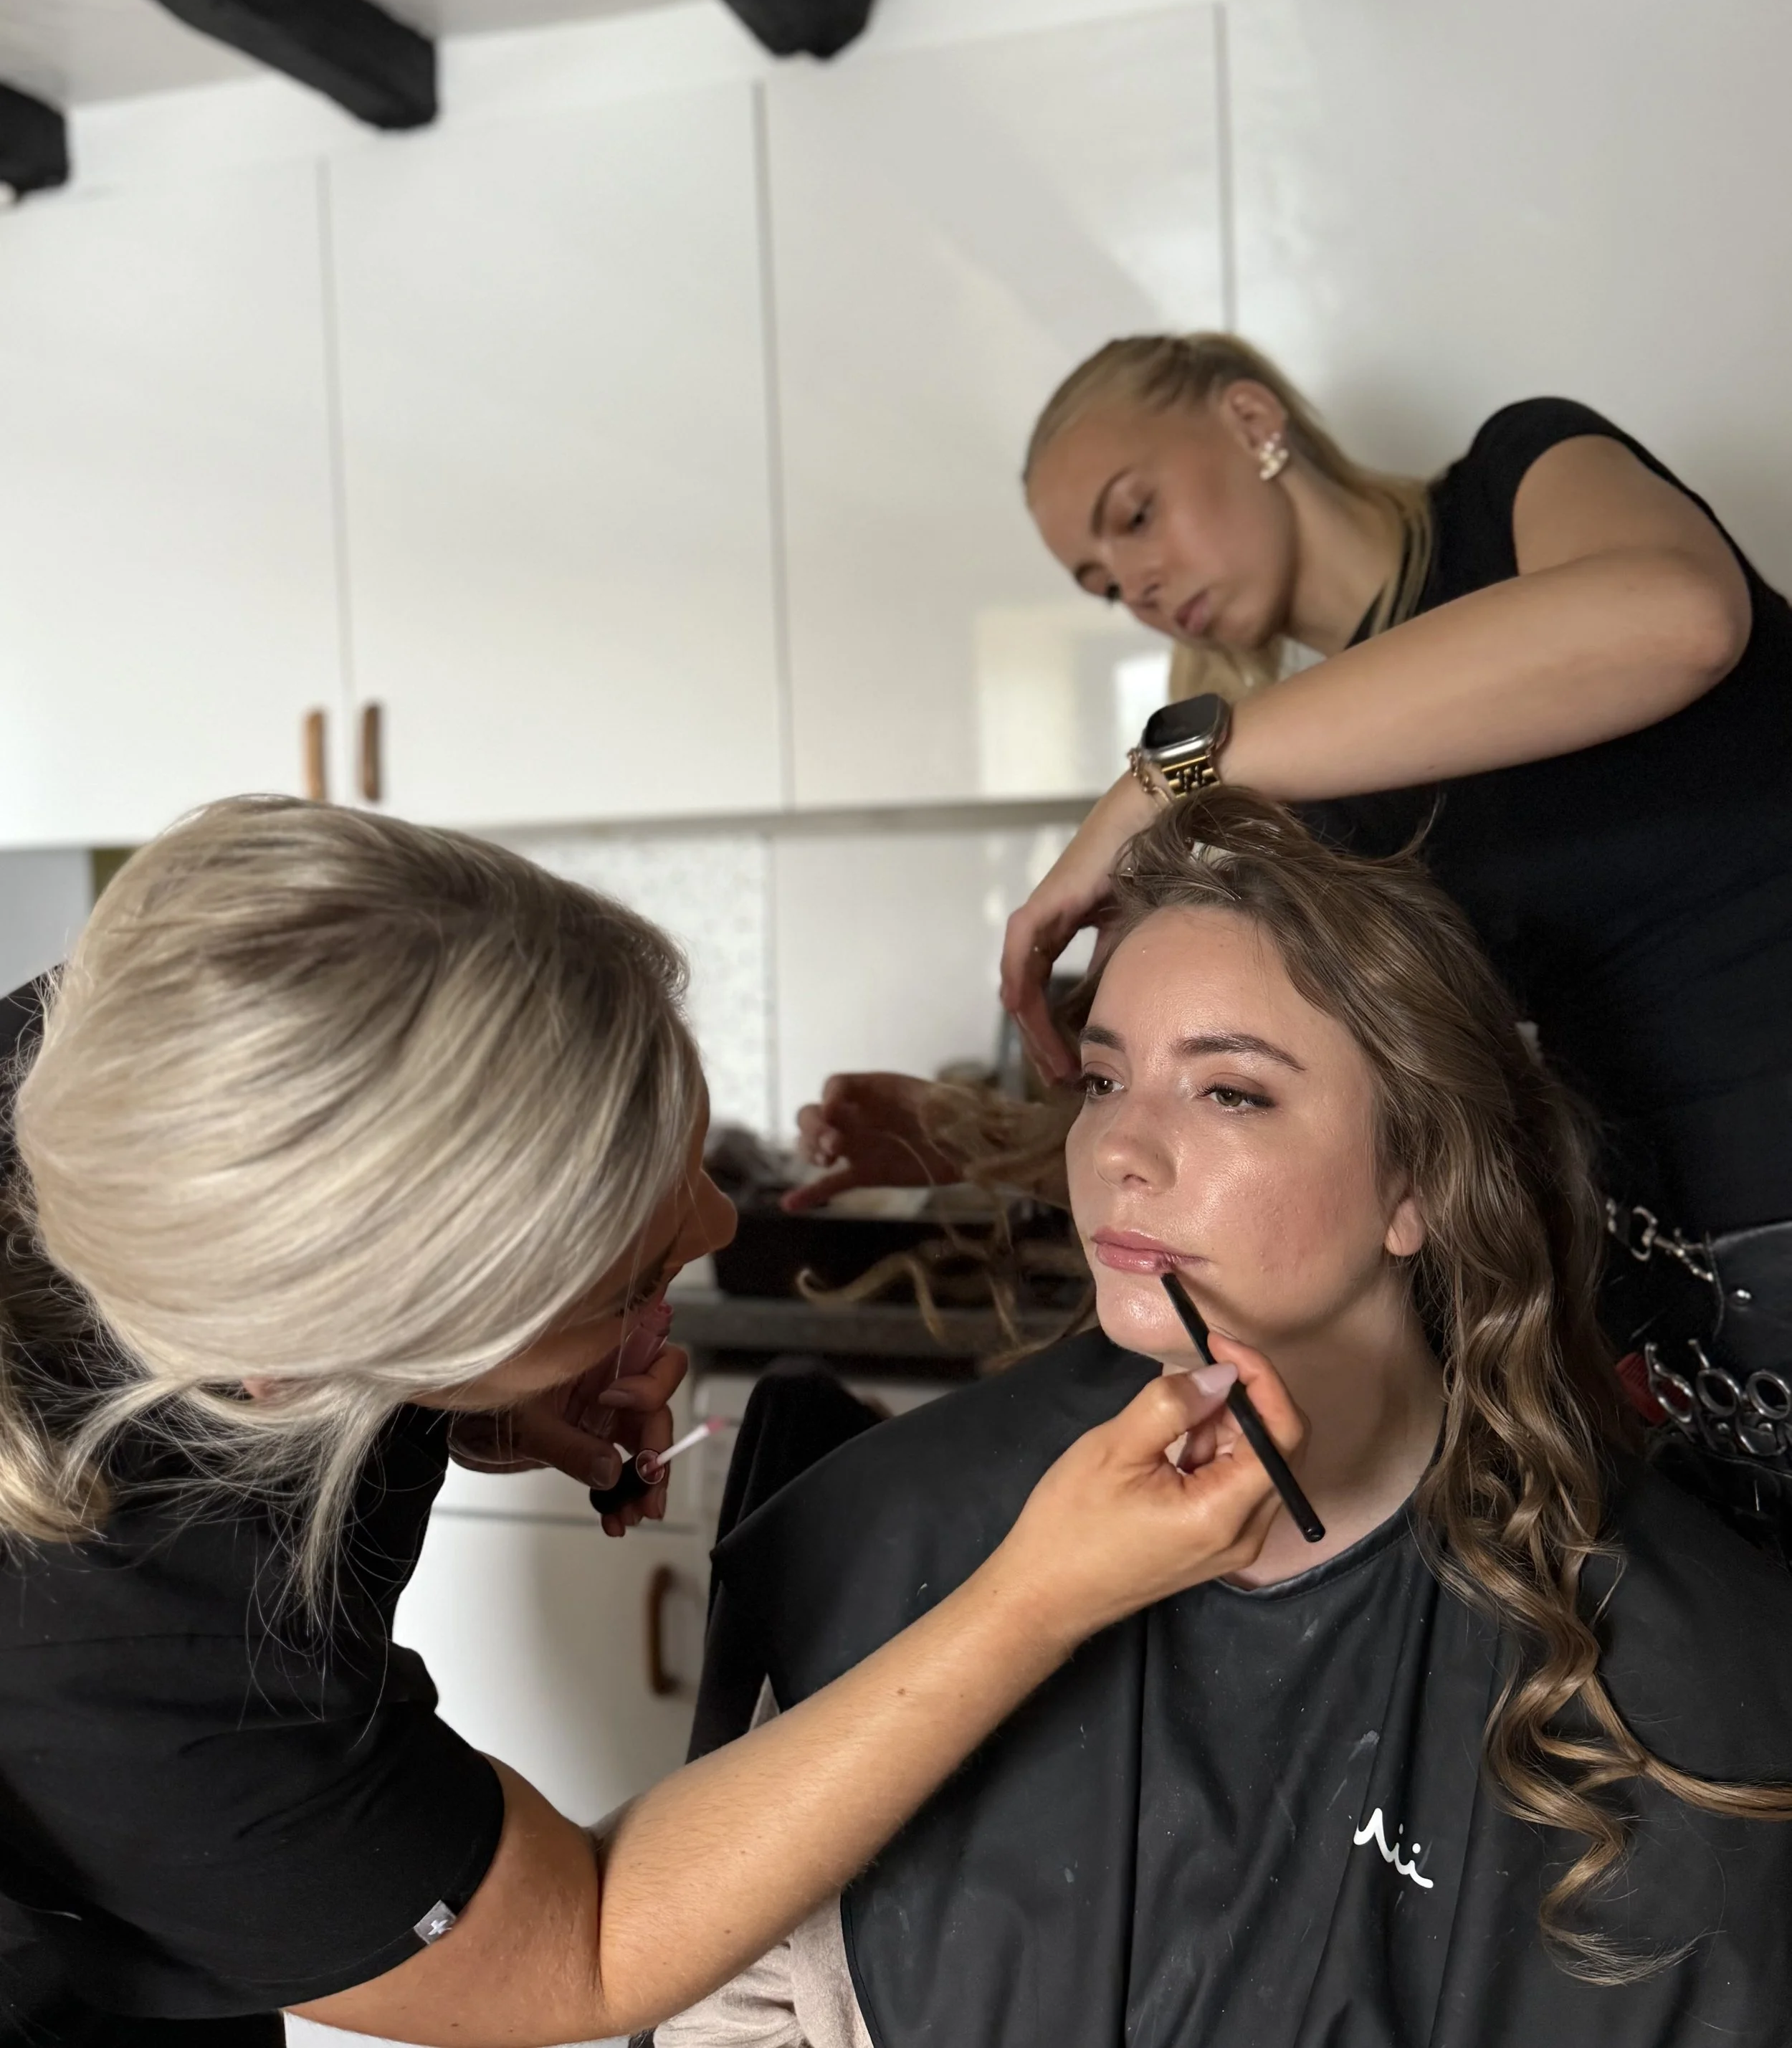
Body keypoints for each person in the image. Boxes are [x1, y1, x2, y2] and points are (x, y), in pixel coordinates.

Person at [0, 798, 1297, 2048]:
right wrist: (1033, 1600)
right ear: (333, 1363)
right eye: (628, 1275)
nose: (719, 1226)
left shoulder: (184, 1040)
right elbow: (588, 1945)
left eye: (683, 1149)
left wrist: (481, 1400)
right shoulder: (154, 1685)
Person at [669, 794, 1792, 2048]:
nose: (1121, 1152)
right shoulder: (889, 1530)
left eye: (1232, 1094)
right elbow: (728, 2006)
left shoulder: (1691, 1673)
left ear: (1416, 1182)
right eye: (1103, 1078)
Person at [795, 333, 1792, 1549]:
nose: (1138, 580)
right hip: (1686, 1298)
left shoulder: (1520, 481)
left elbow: (1680, 618)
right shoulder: (1332, 789)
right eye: (1104, 582)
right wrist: (961, 1140)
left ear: (1253, 418)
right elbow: (1255, 1081)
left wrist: (1164, 777)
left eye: (1137, 514)